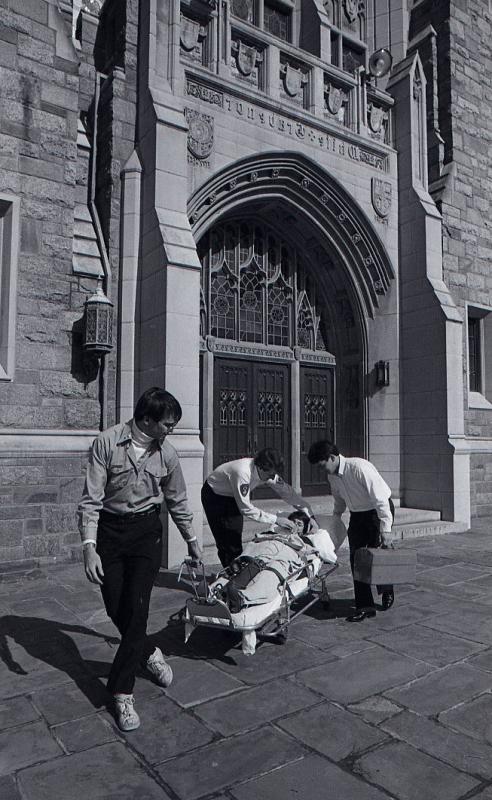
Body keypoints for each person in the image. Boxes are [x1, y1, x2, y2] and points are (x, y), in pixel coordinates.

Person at [78, 387, 202, 732]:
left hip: (146, 533)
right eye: (168, 424)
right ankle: (148, 651)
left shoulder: (169, 455)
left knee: (138, 607)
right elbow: (90, 499)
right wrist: (89, 547)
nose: (171, 430)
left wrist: (191, 540)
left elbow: (177, 501)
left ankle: (121, 693)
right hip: (109, 533)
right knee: (117, 608)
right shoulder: (106, 443)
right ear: (146, 420)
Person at [307, 440, 394, 622]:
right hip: (358, 514)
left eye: (323, 465)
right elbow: (339, 500)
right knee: (357, 559)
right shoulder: (332, 476)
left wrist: (385, 529)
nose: (323, 470)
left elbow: (380, 500)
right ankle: (365, 607)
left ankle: (386, 590)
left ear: (331, 457)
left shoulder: (360, 467)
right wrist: (335, 519)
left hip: (377, 511)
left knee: (378, 555)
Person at [201, 448, 317, 567]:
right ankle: (232, 576)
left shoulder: (268, 472)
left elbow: (288, 493)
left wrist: (309, 514)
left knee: (235, 538)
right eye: (270, 475)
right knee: (228, 540)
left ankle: (237, 573)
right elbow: (246, 509)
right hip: (215, 496)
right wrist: (277, 520)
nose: (272, 478)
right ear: (261, 467)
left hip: (232, 496)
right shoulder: (242, 472)